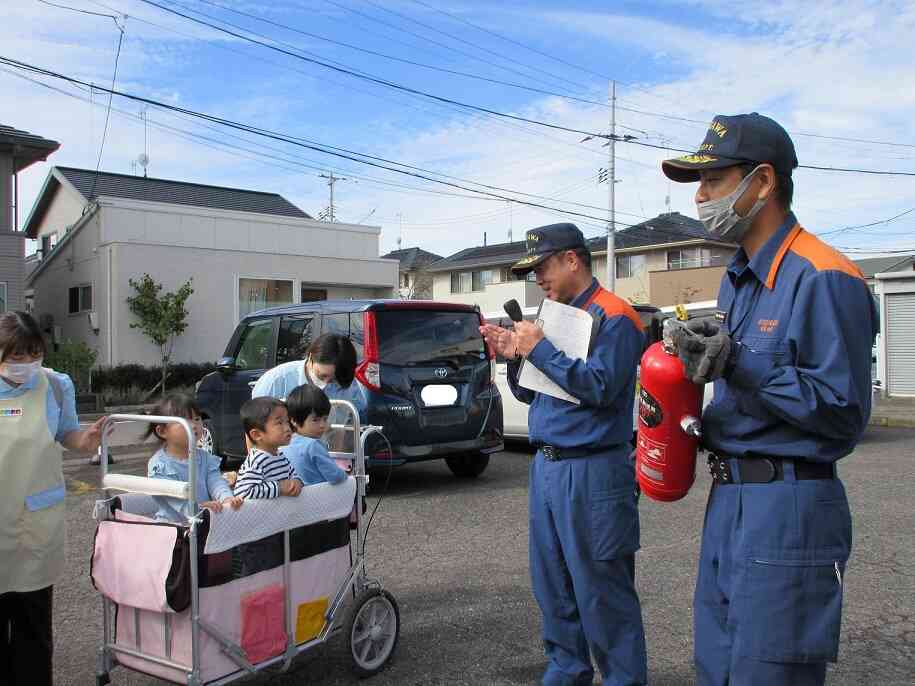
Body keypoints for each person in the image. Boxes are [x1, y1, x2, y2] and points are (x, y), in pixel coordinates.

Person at [661, 113, 877, 686]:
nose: (701, 196)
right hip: (729, 499)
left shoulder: (824, 276)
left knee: (767, 675)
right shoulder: (737, 277)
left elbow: (842, 414)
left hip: (789, 504)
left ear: (763, 182)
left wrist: (739, 363)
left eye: (713, 180)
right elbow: (739, 393)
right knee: (717, 670)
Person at [480, 224, 647, 686]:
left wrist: (540, 348)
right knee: (553, 586)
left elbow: (599, 386)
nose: (537, 278)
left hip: (594, 467)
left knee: (602, 593)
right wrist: (515, 355)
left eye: (542, 266)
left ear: (572, 260)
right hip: (548, 466)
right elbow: (534, 394)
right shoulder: (551, 317)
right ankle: (566, 670)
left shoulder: (615, 316)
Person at [0, 311, 108, 685]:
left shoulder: (56, 386)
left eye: (33, 354)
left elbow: (68, 435)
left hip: (35, 526)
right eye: (16, 356)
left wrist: (86, 440)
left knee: (34, 629)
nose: (26, 364)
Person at [145, 393, 242, 523]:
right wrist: (200, 508)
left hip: (206, 522)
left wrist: (226, 498)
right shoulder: (160, 466)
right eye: (185, 421)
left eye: (197, 419)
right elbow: (176, 499)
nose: (194, 425)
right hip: (174, 528)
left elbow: (216, 482)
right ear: (162, 431)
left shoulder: (205, 458)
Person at [234, 397, 302, 576]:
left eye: (287, 421)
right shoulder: (258, 459)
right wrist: (279, 487)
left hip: (273, 527)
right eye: (279, 423)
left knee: (275, 573)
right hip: (254, 535)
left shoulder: (279, 455)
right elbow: (245, 491)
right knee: (258, 576)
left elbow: (292, 474)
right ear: (257, 434)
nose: (288, 428)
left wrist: (297, 482)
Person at [282, 384, 347, 486]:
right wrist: (347, 475)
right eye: (315, 420)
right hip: (319, 497)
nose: (322, 425)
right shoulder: (313, 445)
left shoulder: (283, 444)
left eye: (325, 419)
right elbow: (335, 476)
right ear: (294, 420)